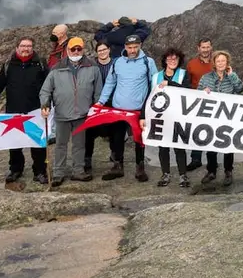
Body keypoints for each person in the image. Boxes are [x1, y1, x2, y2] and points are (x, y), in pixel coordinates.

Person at [0, 37, 50, 185]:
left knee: (37, 143)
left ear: (33, 48)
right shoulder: (8, 65)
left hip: (35, 111)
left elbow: (48, 85)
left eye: (29, 46)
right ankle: (16, 169)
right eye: (23, 46)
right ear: (17, 47)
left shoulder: (40, 64)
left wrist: (48, 105)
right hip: (14, 111)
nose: (26, 49)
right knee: (14, 143)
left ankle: (40, 171)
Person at [39, 37, 104, 187]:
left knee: (79, 145)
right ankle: (58, 173)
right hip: (62, 114)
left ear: (83, 49)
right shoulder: (56, 68)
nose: (76, 51)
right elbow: (45, 90)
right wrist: (45, 104)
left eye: (78, 49)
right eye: (72, 49)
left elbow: (98, 91)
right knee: (61, 144)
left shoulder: (93, 67)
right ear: (67, 50)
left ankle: (78, 171)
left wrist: (96, 108)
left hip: (82, 114)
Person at [96, 34, 157, 182]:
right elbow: (110, 83)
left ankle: (140, 167)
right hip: (119, 108)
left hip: (138, 109)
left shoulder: (148, 62)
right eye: (130, 47)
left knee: (139, 138)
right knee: (117, 137)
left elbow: (154, 83)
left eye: (135, 47)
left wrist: (151, 106)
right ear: (125, 47)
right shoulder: (117, 62)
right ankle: (118, 165)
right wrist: (101, 102)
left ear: (140, 45)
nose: (132, 50)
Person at [198, 50, 243, 187]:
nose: (221, 63)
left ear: (227, 62)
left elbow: (240, 89)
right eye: (218, 61)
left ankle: (228, 171)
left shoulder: (232, 76)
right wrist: (202, 92)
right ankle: (211, 171)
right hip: (211, 117)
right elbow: (197, 91)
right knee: (210, 143)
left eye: (223, 61)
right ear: (214, 63)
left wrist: (232, 76)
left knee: (227, 144)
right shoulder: (206, 77)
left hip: (227, 117)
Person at [151, 47, 191, 187]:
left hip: (178, 115)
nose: (172, 61)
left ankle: (183, 175)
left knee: (179, 146)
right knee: (163, 147)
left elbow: (187, 91)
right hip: (161, 116)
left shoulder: (184, 74)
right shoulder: (156, 76)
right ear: (165, 60)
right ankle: (165, 174)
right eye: (169, 58)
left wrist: (170, 83)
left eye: (175, 59)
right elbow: (149, 97)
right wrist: (144, 117)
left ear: (179, 60)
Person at [84, 41, 115, 174]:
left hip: (112, 103)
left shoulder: (116, 64)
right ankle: (87, 159)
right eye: (99, 50)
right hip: (95, 103)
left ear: (109, 49)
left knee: (113, 132)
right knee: (90, 133)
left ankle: (115, 156)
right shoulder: (91, 65)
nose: (102, 52)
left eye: (104, 49)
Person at [183, 37, 214, 172]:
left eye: (208, 47)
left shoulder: (217, 62)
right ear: (198, 48)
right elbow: (187, 83)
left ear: (211, 48)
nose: (205, 50)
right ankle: (196, 159)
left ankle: (212, 160)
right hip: (196, 102)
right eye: (203, 47)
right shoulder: (191, 64)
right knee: (197, 130)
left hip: (215, 103)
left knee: (212, 130)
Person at [46, 24, 70, 143]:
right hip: (52, 80)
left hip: (60, 81)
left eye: (55, 33)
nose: (53, 35)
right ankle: (54, 131)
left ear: (62, 34)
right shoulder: (57, 46)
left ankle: (56, 133)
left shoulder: (67, 47)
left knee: (57, 107)